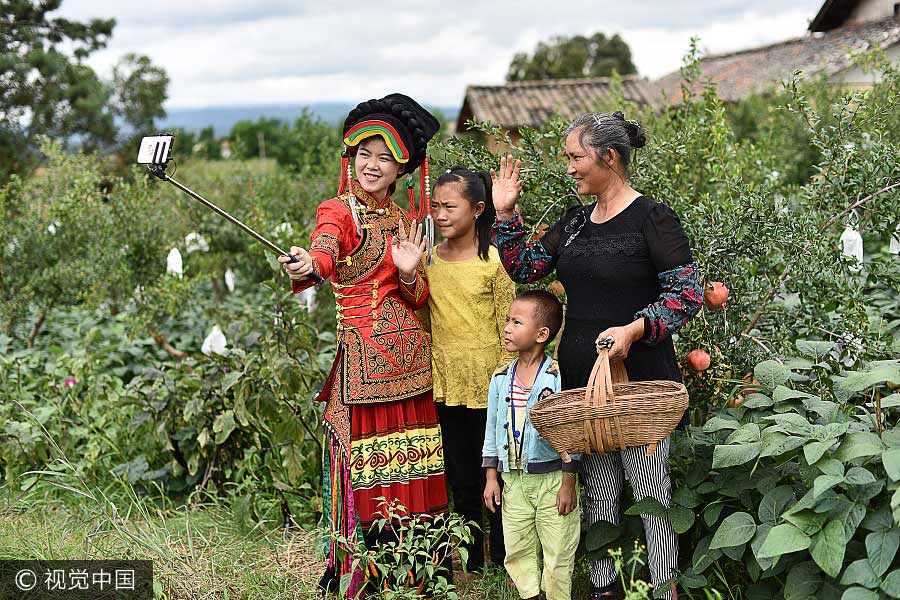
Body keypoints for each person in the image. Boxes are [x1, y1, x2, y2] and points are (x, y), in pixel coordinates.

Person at [489, 112, 703, 600]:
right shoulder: (574, 222)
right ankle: (606, 588)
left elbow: (686, 294)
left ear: (609, 158)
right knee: (600, 488)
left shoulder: (654, 219)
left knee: (649, 490)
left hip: (639, 380)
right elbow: (527, 266)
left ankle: (663, 588)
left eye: (575, 157)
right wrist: (505, 215)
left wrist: (635, 328)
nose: (569, 167)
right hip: (585, 380)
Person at [279, 93, 447, 597]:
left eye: (384, 158)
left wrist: (413, 270)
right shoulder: (338, 211)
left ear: (402, 169)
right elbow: (325, 248)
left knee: (414, 464)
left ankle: (419, 574)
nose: (371, 166)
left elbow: (418, 299)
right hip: (361, 365)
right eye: (363, 155)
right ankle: (369, 577)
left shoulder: (405, 222)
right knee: (371, 470)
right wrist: (310, 263)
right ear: (350, 158)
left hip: (411, 360)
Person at [425, 166, 516, 572]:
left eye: (449, 207)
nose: (440, 215)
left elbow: (508, 326)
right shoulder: (428, 261)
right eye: (435, 207)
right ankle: (470, 562)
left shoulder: (494, 261)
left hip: (490, 385)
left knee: (497, 475)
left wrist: (510, 383)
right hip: (446, 383)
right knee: (460, 476)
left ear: (478, 209)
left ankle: (501, 558)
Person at [482, 290, 580, 600]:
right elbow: (491, 429)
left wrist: (568, 480)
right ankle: (529, 594)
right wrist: (491, 477)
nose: (507, 327)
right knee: (518, 545)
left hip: (553, 480)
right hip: (513, 480)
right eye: (507, 320)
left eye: (516, 322)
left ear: (541, 334)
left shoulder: (558, 378)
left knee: (558, 547)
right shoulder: (500, 378)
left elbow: (570, 432)